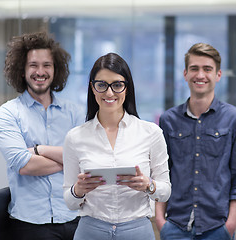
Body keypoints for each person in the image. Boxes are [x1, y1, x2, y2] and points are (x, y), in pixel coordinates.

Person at [62, 52, 171, 240]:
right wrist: (78, 190)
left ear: (127, 88)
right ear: (92, 88)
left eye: (117, 85)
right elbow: (70, 202)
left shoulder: (151, 133)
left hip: (137, 230)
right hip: (90, 230)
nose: (109, 93)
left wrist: (148, 185)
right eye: (102, 85)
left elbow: (165, 191)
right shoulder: (75, 137)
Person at [155, 43, 236, 240]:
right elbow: (161, 173)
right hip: (175, 226)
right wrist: (160, 222)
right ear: (185, 73)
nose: (200, 75)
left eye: (207, 69)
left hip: (217, 227)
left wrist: (230, 225)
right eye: (194, 68)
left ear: (218, 75)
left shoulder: (234, 119)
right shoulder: (168, 120)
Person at [0, 31, 85, 240]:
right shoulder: (8, 113)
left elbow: (86, 158)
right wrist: (70, 160)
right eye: (33, 65)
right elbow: (24, 165)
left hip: (75, 217)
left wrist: (38, 150)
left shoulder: (75, 112)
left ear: (56, 69)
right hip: (30, 224)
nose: (40, 72)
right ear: (22, 70)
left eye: (47, 65)